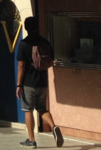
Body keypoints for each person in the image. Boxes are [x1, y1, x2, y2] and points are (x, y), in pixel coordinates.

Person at [16, 16, 63, 148]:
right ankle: (53, 127)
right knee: (42, 108)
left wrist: (19, 84)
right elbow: (51, 60)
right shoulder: (45, 42)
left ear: (26, 28)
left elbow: (21, 66)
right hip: (42, 81)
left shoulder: (24, 43)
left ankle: (31, 140)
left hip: (28, 83)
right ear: (38, 27)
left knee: (28, 109)